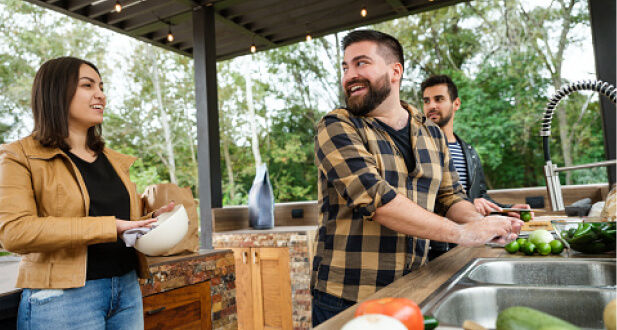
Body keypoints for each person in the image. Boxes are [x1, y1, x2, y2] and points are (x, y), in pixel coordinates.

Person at [311, 30, 522, 327]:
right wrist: (463, 234)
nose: (349, 75)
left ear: (395, 71)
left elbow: (450, 197)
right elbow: (376, 200)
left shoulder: (432, 133)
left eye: (361, 64)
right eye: (345, 67)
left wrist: (482, 224)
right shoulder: (336, 126)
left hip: (414, 287)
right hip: (347, 295)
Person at [0, 56, 173, 329]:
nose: (101, 95)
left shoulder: (114, 161)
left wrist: (151, 219)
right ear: (56, 92)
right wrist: (110, 227)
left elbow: (118, 222)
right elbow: (14, 232)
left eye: (101, 87)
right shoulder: (18, 155)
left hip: (126, 289)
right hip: (63, 299)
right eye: (87, 85)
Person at [420, 74, 532, 260]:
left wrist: (505, 209)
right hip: (434, 249)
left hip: (468, 246)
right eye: (426, 101)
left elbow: (480, 196)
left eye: (439, 99)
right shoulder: (418, 149)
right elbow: (420, 200)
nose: (431, 106)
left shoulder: (470, 152)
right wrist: (471, 205)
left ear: (456, 104)